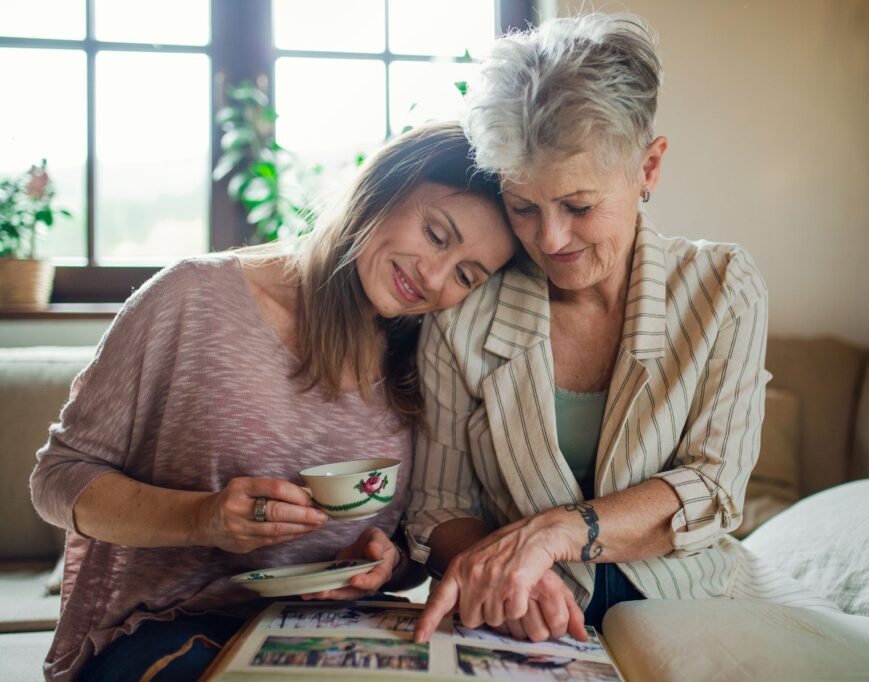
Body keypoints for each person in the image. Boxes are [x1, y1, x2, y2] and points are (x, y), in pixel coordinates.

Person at [405, 14, 837, 645]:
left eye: (579, 206)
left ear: (649, 168)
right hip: (522, 623)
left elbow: (713, 486)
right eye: (523, 206)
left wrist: (557, 534)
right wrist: (515, 574)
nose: (549, 240)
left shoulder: (722, 287)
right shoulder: (464, 312)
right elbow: (437, 507)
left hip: (695, 605)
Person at [30, 121, 516, 681]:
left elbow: (409, 546)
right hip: (165, 631)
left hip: (340, 636)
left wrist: (386, 563)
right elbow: (56, 480)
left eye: (465, 274)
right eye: (435, 233)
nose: (433, 278)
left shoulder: (425, 358)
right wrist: (203, 518)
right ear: (385, 188)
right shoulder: (192, 298)